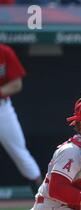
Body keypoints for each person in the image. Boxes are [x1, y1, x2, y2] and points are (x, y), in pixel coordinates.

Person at [0, 43, 42, 194]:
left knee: (19, 151)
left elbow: (17, 84)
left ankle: (41, 194)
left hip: (2, 108)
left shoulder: (4, 52)